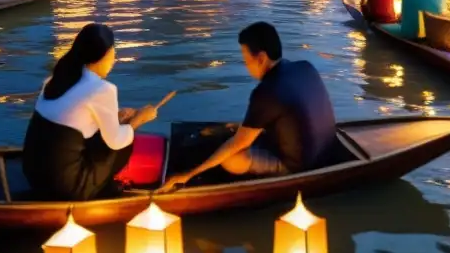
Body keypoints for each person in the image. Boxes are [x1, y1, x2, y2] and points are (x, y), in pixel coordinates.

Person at [160, 22, 336, 190]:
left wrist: (188, 175)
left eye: (246, 59)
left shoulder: (267, 91)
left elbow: (236, 145)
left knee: (231, 159)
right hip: (327, 148)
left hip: (299, 166)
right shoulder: (305, 66)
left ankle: (255, 181)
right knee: (234, 132)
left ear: (260, 58)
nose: (246, 66)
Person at [22, 23, 159, 200]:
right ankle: (98, 189)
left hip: (33, 175)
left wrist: (115, 116)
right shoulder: (103, 89)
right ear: (102, 57)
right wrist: (139, 119)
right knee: (125, 141)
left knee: (113, 130)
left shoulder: (55, 79)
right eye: (112, 53)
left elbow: (74, 116)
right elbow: (116, 141)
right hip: (66, 188)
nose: (114, 59)